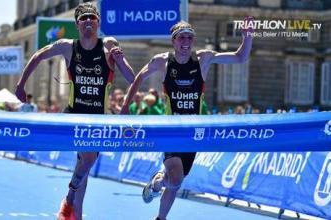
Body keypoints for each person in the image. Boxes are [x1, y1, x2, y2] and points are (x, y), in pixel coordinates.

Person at [121, 19, 253, 220]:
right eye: (182, 37)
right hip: (172, 130)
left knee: (175, 182)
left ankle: (157, 186)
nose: (186, 41)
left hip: (193, 132)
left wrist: (248, 35)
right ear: (173, 40)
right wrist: (125, 107)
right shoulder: (162, 61)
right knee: (174, 179)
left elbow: (240, 58)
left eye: (190, 38)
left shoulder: (203, 59)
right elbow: (140, 77)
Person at [15, 3, 134, 220]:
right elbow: (37, 56)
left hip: (98, 117)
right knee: (87, 159)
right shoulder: (67, 47)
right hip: (74, 114)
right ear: (77, 24)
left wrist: (119, 60)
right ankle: (70, 202)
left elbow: (131, 78)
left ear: (98, 22)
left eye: (92, 18)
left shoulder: (109, 45)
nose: (88, 21)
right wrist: (20, 85)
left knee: (84, 165)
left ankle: (72, 208)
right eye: (84, 19)